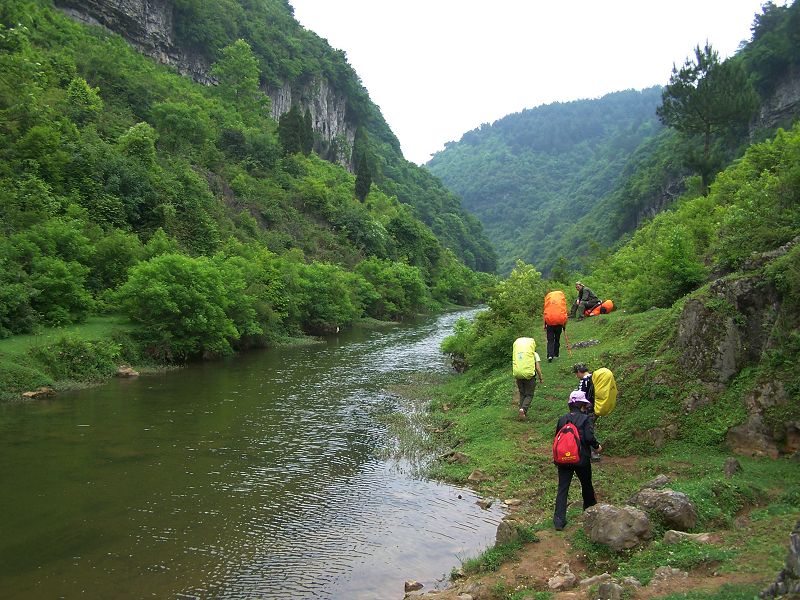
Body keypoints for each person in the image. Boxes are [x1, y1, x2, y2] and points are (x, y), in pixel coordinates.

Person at [553, 390, 601, 531]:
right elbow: (589, 438)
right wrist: (597, 447)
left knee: (563, 488)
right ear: (582, 405)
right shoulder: (585, 419)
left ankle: (559, 522)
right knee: (586, 485)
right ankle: (590, 512)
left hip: (563, 460)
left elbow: (557, 437)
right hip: (581, 459)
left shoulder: (562, 419)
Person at [573, 363, 601, 461]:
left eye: (576, 373)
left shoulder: (584, 381)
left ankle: (590, 452)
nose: (577, 376)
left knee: (586, 430)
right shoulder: (594, 378)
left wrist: (580, 407)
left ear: (580, 372)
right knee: (590, 428)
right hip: (595, 407)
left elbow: (581, 395)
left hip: (586, 409)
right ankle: (591, 451)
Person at [516, 347, 543, 420]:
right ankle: (523, 410)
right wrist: (540, 377)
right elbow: (537, 367)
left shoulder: (519, 353)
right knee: (529, 394)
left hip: (519, 376)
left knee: (522, 394)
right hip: (530, 377)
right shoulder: (534, 354)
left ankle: (521, 412)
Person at [543, 290, 568, 363]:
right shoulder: (561, 304)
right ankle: (556, 354)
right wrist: (564, 325)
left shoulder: (549, 303)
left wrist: (544, 325)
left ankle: (550, 355)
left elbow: (545, 314)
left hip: (550, 323)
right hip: (559, 323)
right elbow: (565, 315)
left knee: (550, 340)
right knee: (557, 339)